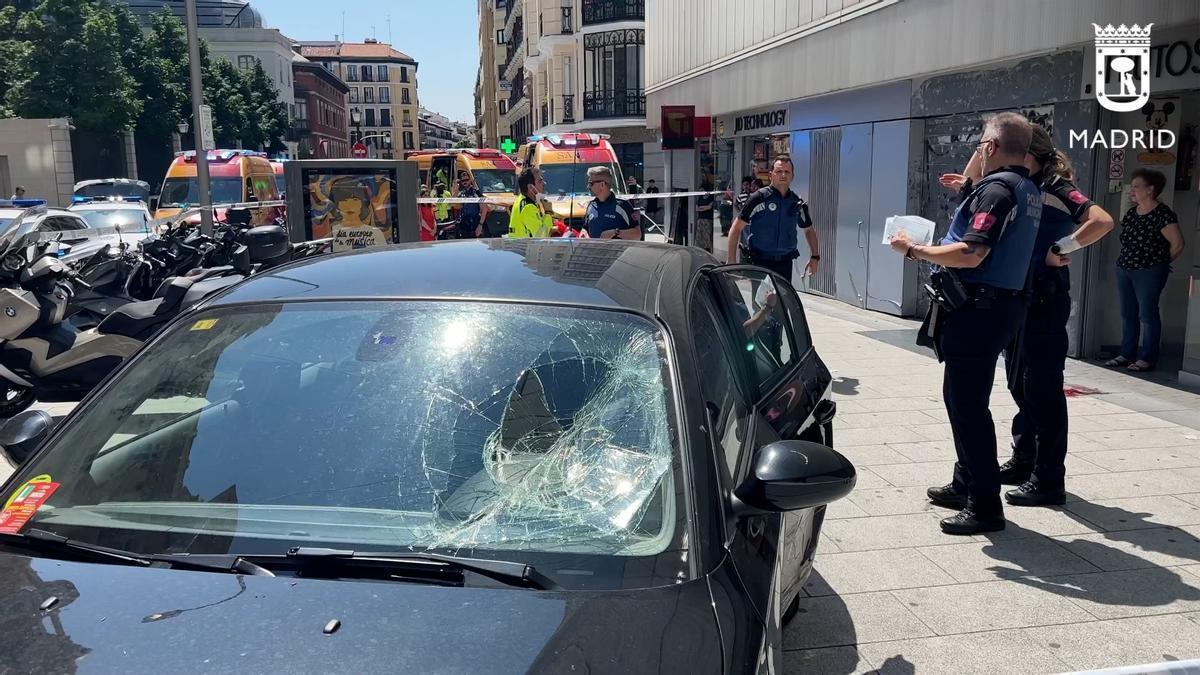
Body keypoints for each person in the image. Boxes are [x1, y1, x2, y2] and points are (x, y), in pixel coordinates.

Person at [939, 125, 1115, 508]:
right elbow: (977, 171)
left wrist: (1060, 247)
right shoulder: (1021, 187)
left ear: (1028, 154)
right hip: (1018, 295)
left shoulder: (1053, 186)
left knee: (1042, 388)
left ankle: (1049, 477)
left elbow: (1101, 221)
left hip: (1044, 298)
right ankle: (1024, 459)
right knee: (1019, 385)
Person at [889, 112, 1041, 535]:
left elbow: (971, 253)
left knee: (968, 407)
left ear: (991, 147)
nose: (976, 152)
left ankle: (984, 505)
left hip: (980, 309)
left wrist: (914, 251)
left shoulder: (997, 191)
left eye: (980, 145)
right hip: (1002, 307)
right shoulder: (1025, 188)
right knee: (959, 397)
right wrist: (977, 163)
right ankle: (967, 482)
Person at [1105, 168, 1186, 372]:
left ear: (1150, 190)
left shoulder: (1162, 214)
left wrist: (1159, 264)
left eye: (1136, 187)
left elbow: (1177, 244)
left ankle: (1148, 357)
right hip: (1125, 268)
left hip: (1148, 271)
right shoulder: (1132, 212)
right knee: (1127, 312)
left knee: (1148, 314)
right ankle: (1127, 352)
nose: (1132, 190)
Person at [726, 157, 818, 281]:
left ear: (792, 176)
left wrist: (815, 257)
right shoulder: (758, 198)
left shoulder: (796, 203)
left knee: (784, 300)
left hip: (785, 263)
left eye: (787, 172)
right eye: (779, 171)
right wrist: (731, 260)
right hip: (760, 262)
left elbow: (809, 230)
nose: (783, 175)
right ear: (771, 175)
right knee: (763, 300)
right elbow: (736, 228)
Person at [584, 166, 639, 240]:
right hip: (593, 251)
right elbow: (585, 229)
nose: (588, 187)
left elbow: (637, 234)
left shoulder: (622, 205)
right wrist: (583, 234)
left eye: (591, 183)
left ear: (602, 185)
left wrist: (615, 232)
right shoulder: (591, 205)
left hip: (618, 251)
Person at [509, 167, 553, 238]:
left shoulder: (522, 198)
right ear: (531, 187)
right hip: (525, 248)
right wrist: (548, 212)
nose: (544, 183)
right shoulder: (528, 207)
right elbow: (541, 236)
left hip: (519, 246)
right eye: (540, 181)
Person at [456, 171, 489, 239]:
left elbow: (485, 209)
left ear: (470, 180)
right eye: (463, 180)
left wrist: (480, 225)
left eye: (466, 180)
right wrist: (455, 190)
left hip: (475, 224)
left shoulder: (476, 193)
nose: (465, 182)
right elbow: (453, 205)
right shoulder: (462, 193)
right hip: (464, 224)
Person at [695, 178, 715, 253]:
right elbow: (697, 208)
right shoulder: (700, 198)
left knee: (707, 236)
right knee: (700, 237)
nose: (700, 192)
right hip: (700, 219)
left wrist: (702, 208)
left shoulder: (711, 197)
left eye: (702, 191)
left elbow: (709, 207)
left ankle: (708, 250)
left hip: (708, 219)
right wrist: (704, 208)